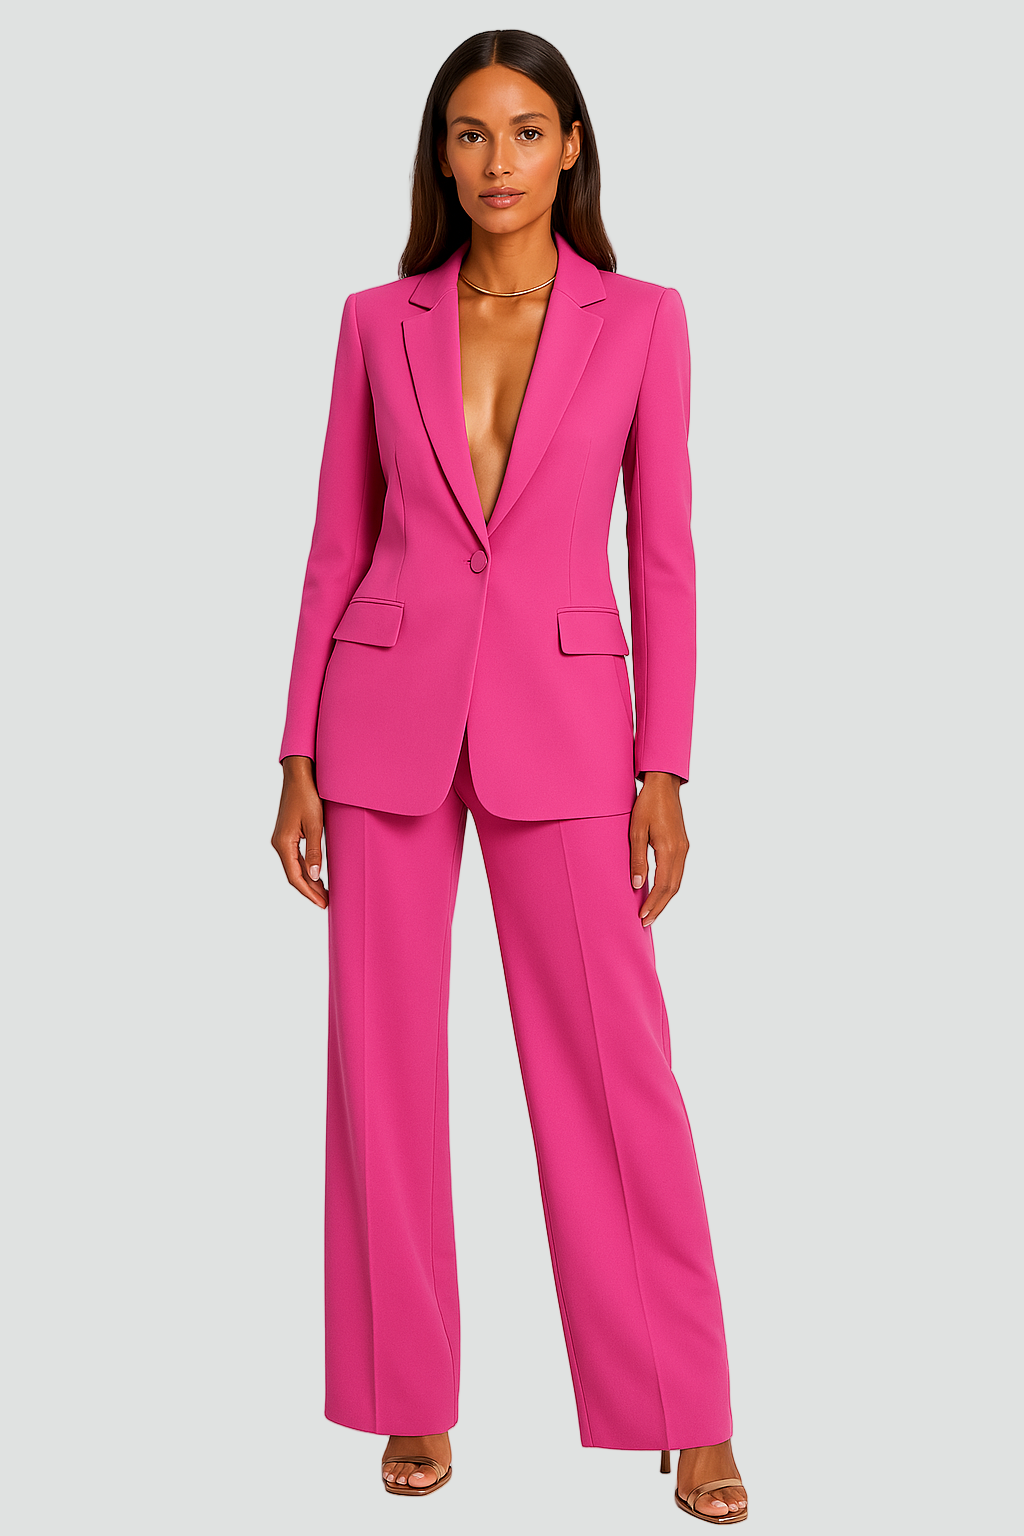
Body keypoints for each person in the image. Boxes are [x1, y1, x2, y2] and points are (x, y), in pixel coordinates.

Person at [271, 28, 748, 1523]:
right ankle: (405, 1396)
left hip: (570, 726)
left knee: (614, 1071)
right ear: (442, 153)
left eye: (526, 131)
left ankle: (685, 1405)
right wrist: (294, 749)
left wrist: (664, 766)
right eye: (470, 134)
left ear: (571, 147)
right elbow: (337, 542)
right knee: (383, 1074)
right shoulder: (377, 320)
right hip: (380, 719)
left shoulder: (643, 320)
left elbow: (664, 557)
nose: (497, 161)